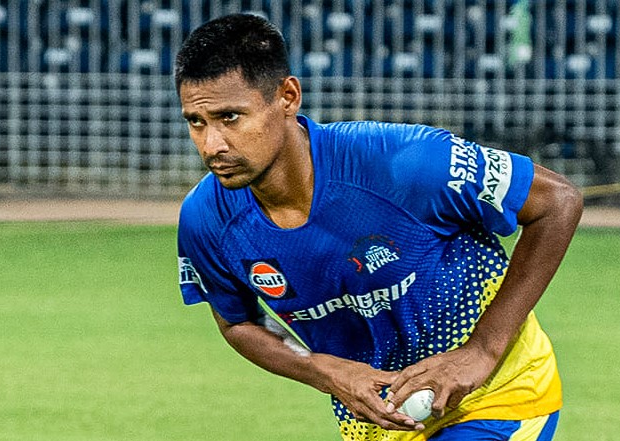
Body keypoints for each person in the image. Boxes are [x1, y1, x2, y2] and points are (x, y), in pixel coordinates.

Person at [174, 13, 583, 441]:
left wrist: (481, 350)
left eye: (230, 117)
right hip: (380, 425)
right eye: (196, 122)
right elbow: (238, 322)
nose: (212, 145)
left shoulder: (404, 163)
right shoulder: (205, 220)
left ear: (288, 97)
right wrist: (323, 370)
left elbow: (557, 201)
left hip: (498, 396)